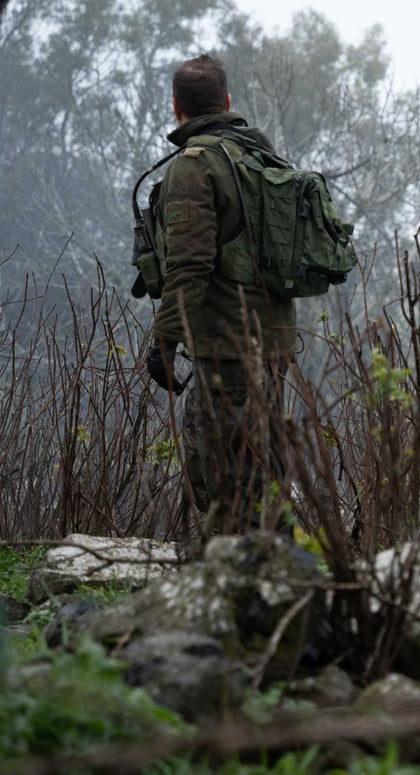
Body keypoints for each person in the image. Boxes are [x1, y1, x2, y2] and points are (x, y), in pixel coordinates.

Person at [143, 54, 295, 536]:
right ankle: (272, 576)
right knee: (258, 468)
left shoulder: (195, 167)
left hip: (227, 349)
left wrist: (164, 340)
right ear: (228, 102)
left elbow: (190, 265)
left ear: (176, 108)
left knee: (231, 480)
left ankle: (251, 589)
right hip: (270, 343)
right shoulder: (259, 156)